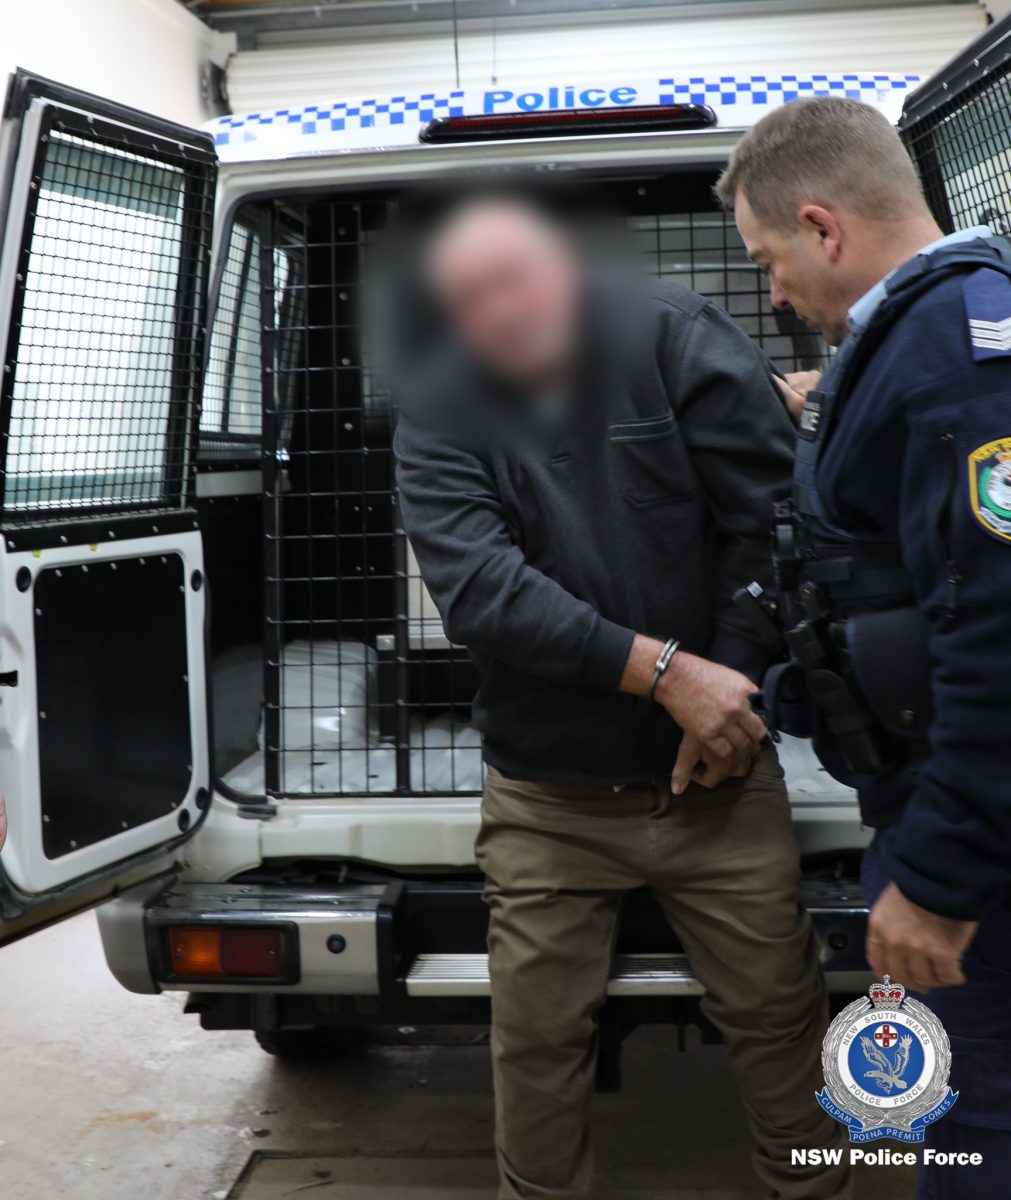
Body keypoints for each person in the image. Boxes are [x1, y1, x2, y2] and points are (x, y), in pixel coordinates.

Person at [394, 195, 848, 1200]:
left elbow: (769, 519)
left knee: (781, 1021)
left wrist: (725, 692)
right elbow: (484, 593)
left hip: (719, 787)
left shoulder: (674, 336)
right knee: (536, 1043)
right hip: (548, 800)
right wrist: (665, 674)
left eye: (516, 280)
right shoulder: (439, 406)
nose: (499, 313)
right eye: (471, 299)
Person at [717, 96, 1011, 1196]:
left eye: (771, 260)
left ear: (823, 227)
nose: (775, 289)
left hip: (973, 847)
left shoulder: (961, 357)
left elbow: (997, 636)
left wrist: (939, 879)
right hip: (947, 813)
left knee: (978, 1123)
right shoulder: (914, 342)